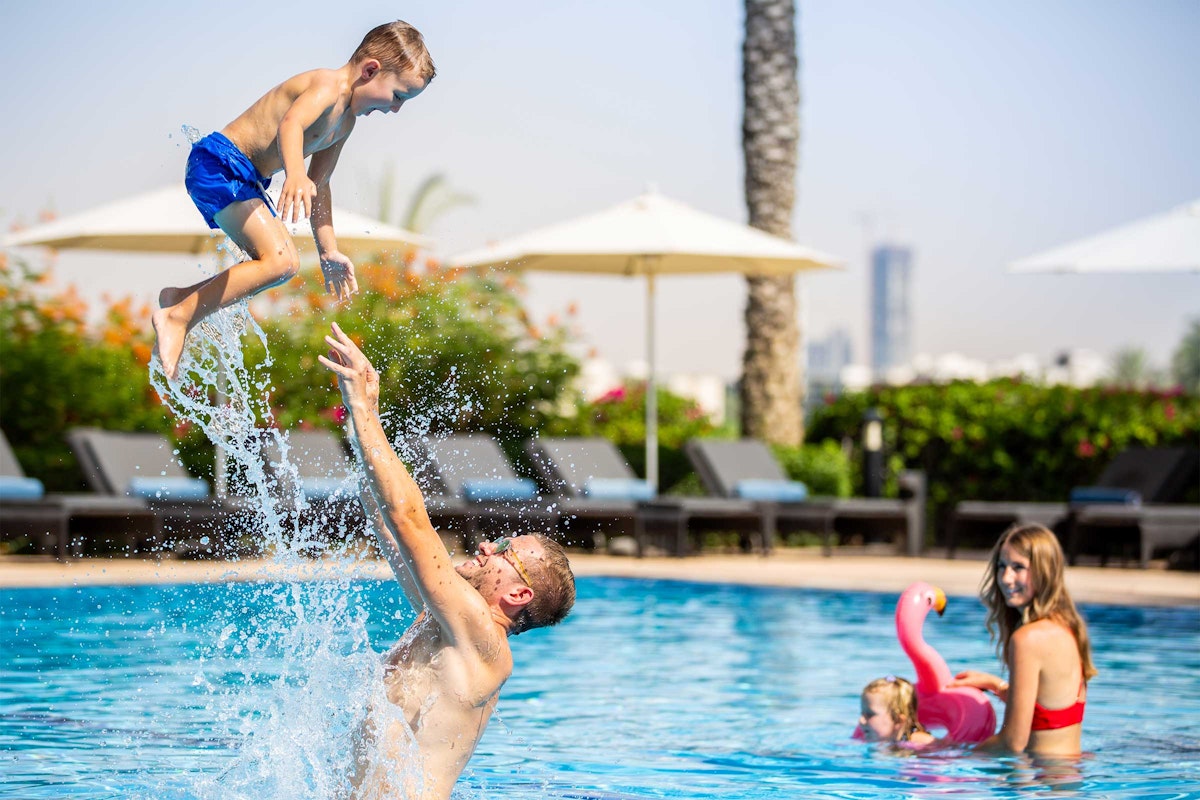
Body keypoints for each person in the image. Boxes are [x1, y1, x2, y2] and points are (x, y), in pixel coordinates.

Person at [318, 321, 576, 799]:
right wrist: (359, 426)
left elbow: (411, 520)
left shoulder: (482, 637)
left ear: (518, 594)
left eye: (503, 551)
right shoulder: (445, 620)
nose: (485, 547)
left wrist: (366, 411)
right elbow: (389, 524)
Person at [152, 21, 435, 380]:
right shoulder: (327, 87)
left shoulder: (345, 123)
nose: (396, 110)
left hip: (243, 178)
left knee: (284, 262)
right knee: (281, 262)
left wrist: (328, 250)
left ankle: (180, 299)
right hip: (219, 164)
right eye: (398, 96)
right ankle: (177, 317)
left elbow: (322, 184)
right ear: (370, 70)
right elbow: (291, 125)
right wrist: (295, 173)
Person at [949, 523, 1096, 756]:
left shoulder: (1027, 639)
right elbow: (1047, 708)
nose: (1006, 578)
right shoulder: (1067, 626)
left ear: (1044, 571)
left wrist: (950, 755)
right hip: (1067, 778)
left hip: (1037, 785)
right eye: (1002, 566)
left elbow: (1012, 743)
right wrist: (996, 685)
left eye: (1018, 567)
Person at [857, 675, 936, 747]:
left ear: (898, 720)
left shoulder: (921, 742)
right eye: (862, 713)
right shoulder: (882, 741)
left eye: (870, 714)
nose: (861, 720)